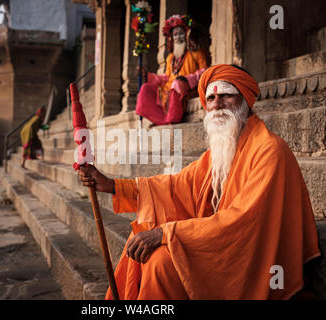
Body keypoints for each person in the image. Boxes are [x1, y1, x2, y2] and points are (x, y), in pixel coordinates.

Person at [78, 64, 321, 300]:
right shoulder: (220, 151)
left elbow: (243, 219)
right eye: (211, 99)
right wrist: (112, 185)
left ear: (245, 100)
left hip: (251, 256)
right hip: (219, 242)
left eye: (227, 96)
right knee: (146, 250)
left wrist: (167, 232)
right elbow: (177, 186)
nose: (217, 105)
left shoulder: (269, 149)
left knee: (161, 262)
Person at [136, 15, 208, 125]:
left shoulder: (196, 53)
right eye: (175, 35)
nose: (178, 37)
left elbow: (204, 72)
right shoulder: (170, 58)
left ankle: (172, 118)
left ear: (186, 35)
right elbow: (166, 77)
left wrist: (187, 79)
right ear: (171, 38)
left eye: (180, 33)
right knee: (146, 88)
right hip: (169, 90)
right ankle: (162, 119)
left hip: (187, 87)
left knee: (177, 84)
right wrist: (147, 75)